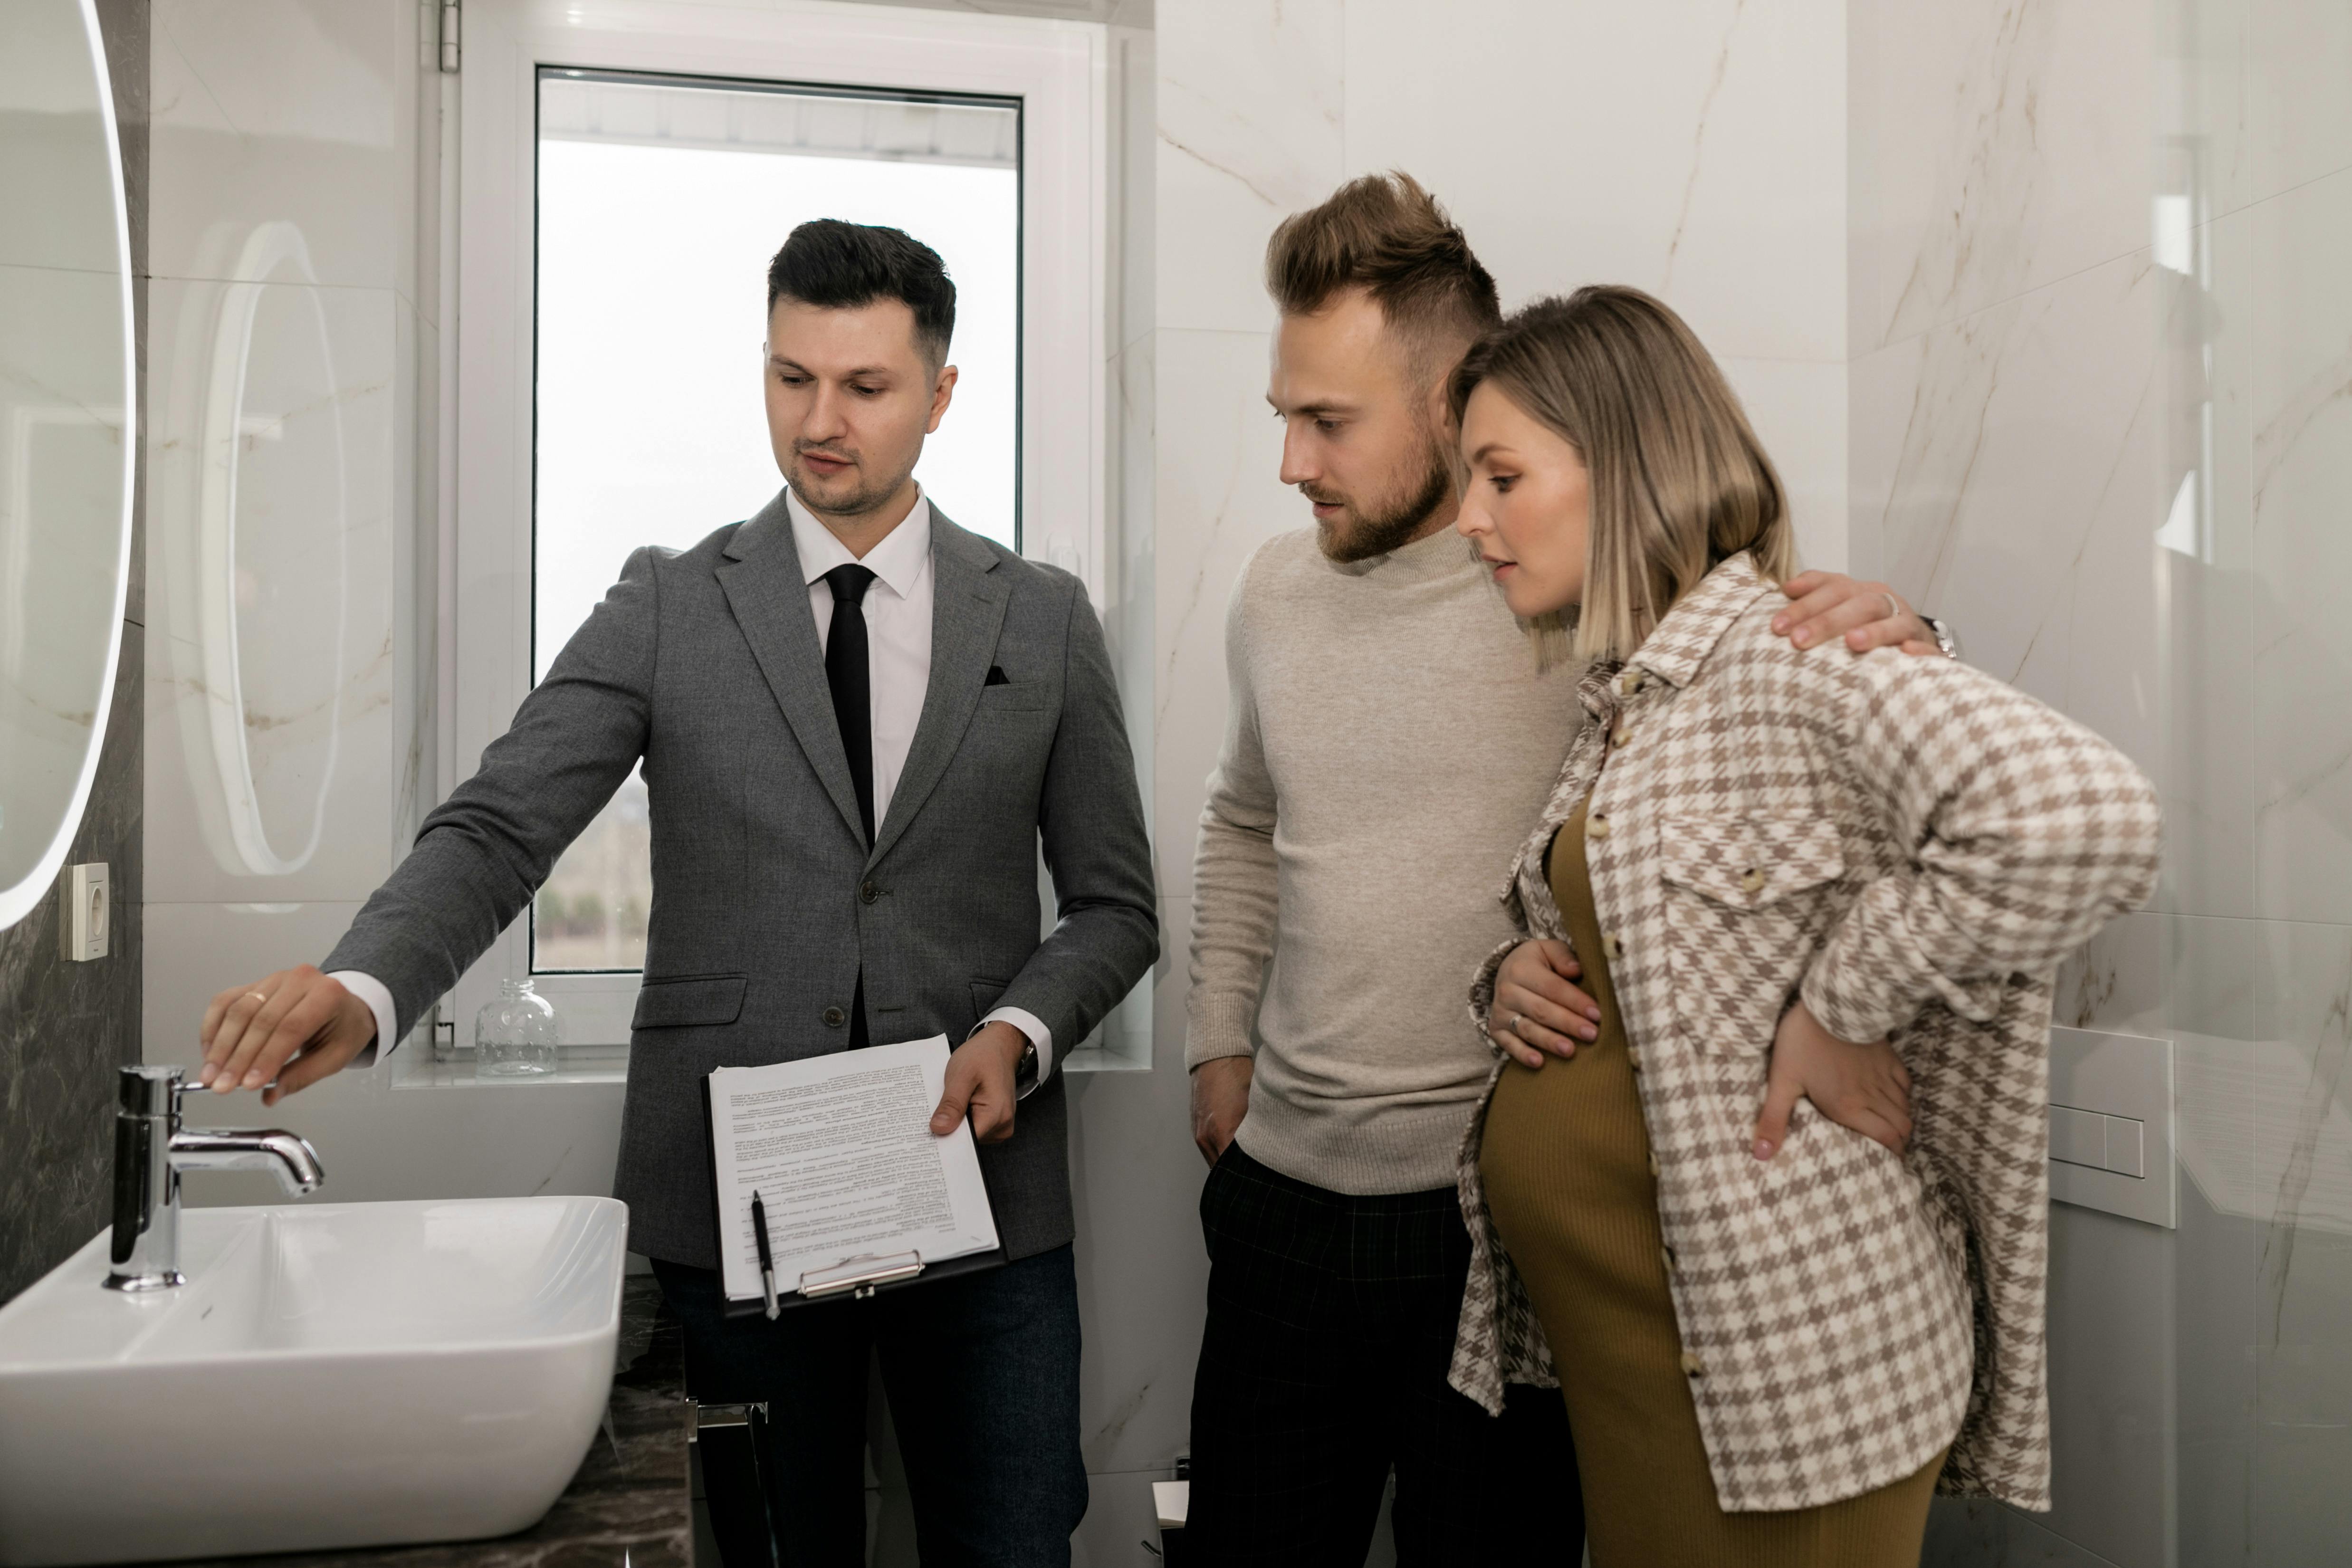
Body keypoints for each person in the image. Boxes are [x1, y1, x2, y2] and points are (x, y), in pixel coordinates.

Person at [190, 220, 1157, 1566]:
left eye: (865, 387)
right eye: (790, 376)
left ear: (941, 395)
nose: (820, 421)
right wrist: (366, 984)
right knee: (760, 1547)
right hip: (735, 1207)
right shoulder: (668, 602)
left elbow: (1117, 904)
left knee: (1011, 1544)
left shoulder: (1043, 620)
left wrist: (1021, 1030)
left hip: (984, 1212)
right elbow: (498, 825)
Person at [1181, 173, 1958, 1563]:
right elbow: (1244, 821)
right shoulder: (1272, 594)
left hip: (1490, 1238)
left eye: (1328, 422)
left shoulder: (1583, 590)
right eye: (1283, 417)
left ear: (1450, 408)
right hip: (1280, 1204)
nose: (1294, 463)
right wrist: (1214, 1045)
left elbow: (1784, 721)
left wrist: (1908, 624)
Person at [1445, 286, 2161, 1566]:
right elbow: (1647, 964)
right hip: (1646, 1364)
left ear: (1625, 463)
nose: (1469, 518)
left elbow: (2089, 819)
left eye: (1502, 475)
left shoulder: (1788, 657)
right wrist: (1506, 976)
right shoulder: (1632, 699)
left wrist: (1842, 1002)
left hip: (1793, 1381)